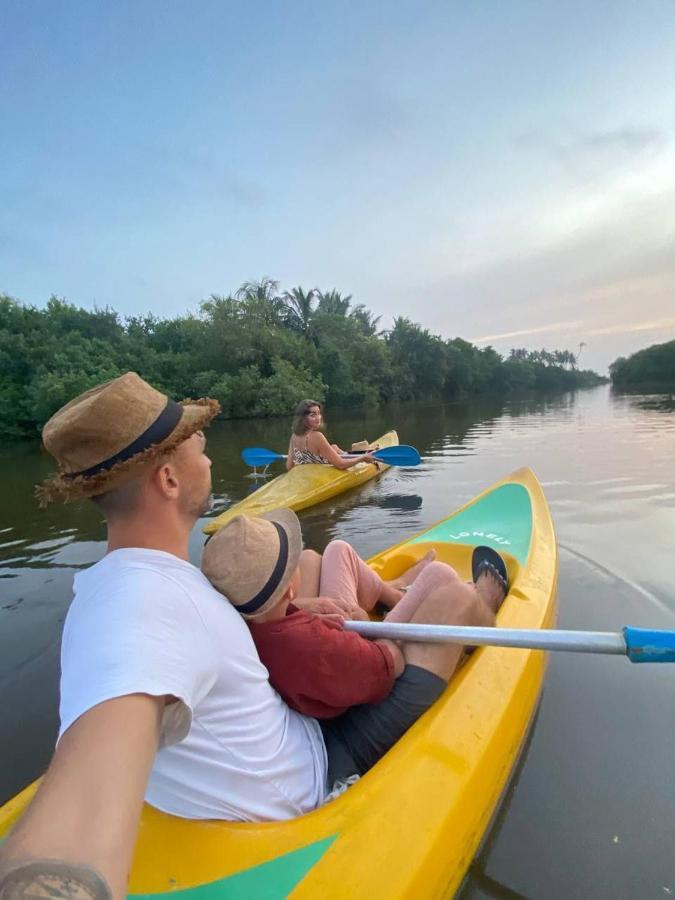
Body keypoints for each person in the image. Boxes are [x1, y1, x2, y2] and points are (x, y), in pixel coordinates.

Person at [0, 372, 505, 900]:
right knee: (452, 598)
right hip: (319, 771)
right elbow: (80, 809)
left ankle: (399, 595)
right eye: (200, 447)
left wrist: (299, 607)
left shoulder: (124, 578)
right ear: (169, 480)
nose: (212, 459)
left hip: (287, 728)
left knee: (309, 561)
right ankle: (486, 601)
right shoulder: (139, 610)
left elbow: (189, 635)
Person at [201, 510, 508, 720]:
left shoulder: (248, 624)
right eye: (291, 558)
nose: (299, 558)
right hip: (363, 677)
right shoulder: (314, 646)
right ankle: (480, 604)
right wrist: (364, 624)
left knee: (336, 550)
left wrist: (305, 607)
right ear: (287, 590)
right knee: (440, 575)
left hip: (332, 655)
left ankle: (396, 592)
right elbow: (390, 664)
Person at [286, 399, 377, 470]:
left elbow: (289, 466)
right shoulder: (317, 436)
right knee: (335, 450)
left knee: (334, 447)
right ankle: (360, 454)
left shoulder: (294, 436)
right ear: (303, 418)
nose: (318, 418)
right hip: (323, 473)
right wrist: (362, 458)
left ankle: (348, 453)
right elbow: (341, 465)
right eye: (313, 415)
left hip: (310, 473)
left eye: (319, 413)